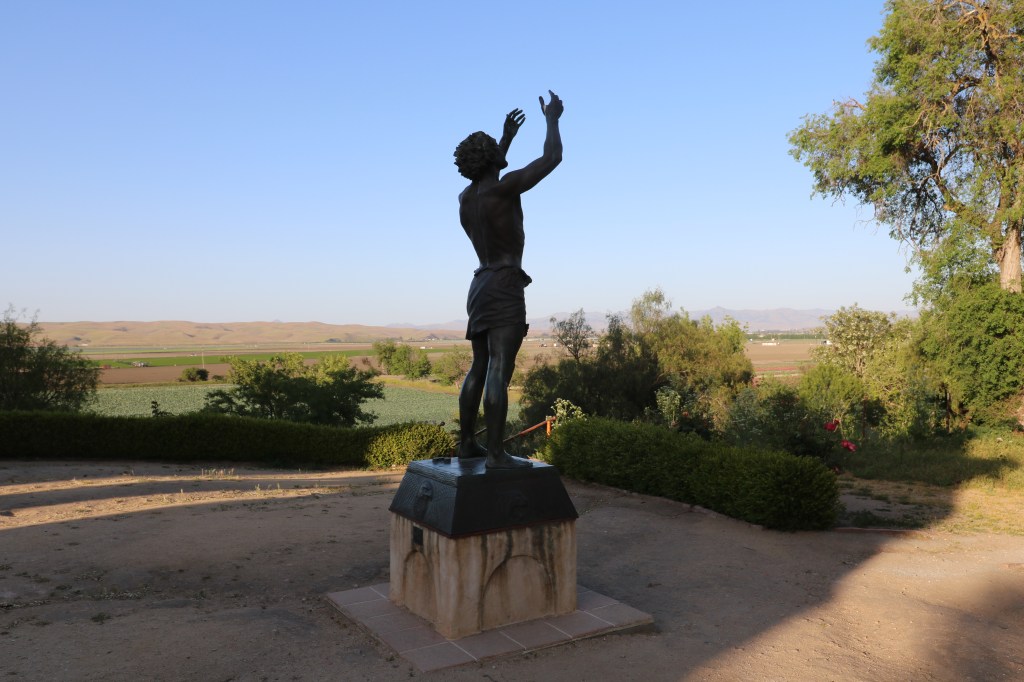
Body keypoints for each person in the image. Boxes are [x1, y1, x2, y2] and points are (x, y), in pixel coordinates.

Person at [452, 90, 563, 469]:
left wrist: (504, 139)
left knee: (479, 367)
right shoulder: (503, 189)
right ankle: (497, 454)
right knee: (500, 368)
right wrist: (552, 119)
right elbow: (552, 158)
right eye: (496, 151)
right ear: (491, 161)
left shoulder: (466, 199)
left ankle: (468, 444)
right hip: (504, 282)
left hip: (480, 284)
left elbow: (487, 171)